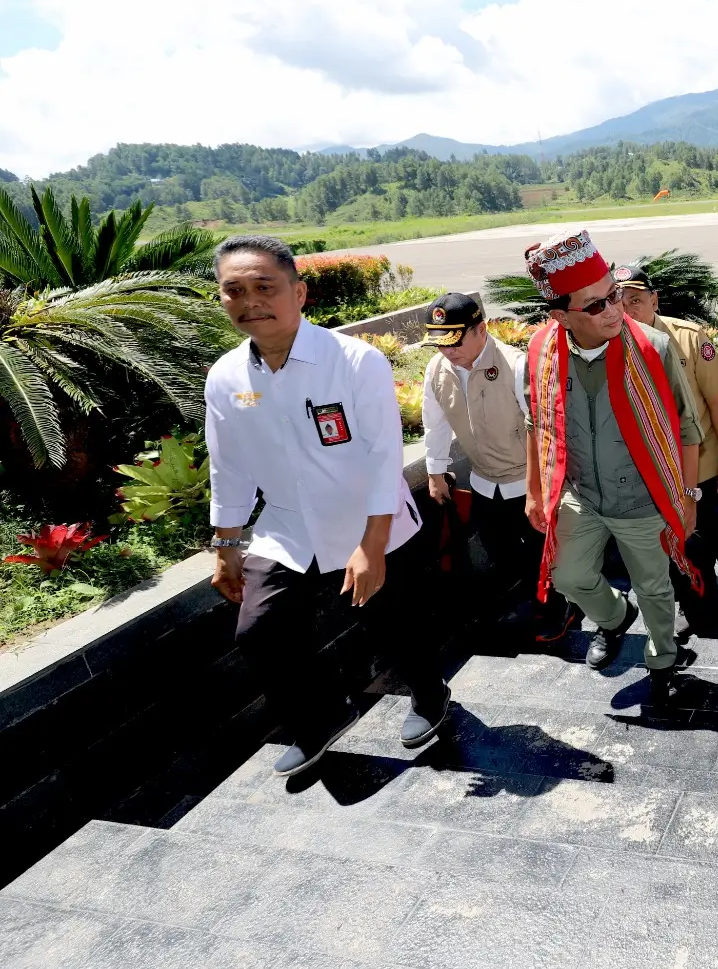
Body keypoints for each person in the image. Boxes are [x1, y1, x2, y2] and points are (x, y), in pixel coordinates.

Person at [205, 234, 451, 778]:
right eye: (235, 290)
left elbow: (384, 459)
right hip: (288, 527)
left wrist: (371, 546)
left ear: (299, 292)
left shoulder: (353, 362)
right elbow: (230, 467)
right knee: (259, 632)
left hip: (371, 520)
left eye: (265, 287)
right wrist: (226, 545)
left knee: (397, 626)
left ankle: (431, 697)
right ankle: (319, 718)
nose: (251, 302)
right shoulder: (225, 378)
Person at [522, 231, 704, 706]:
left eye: (614, 296)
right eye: (597, 305)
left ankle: (663, 659)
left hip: (644, 497)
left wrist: (687, 498)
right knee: (568, 576)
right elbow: (536, 423)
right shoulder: (541, 351)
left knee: (654, 587)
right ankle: (613, 617)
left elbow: (687, 429)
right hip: (580, 493)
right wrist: (535, 492)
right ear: (561, 316)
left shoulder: (653, 348)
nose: (614, 310)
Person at [420, 292, 576, 643]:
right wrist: (434, 471)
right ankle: (534, 603)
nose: (448, 351)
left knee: (544, 552)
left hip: (525, 481)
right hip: (483, 482)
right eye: (440, 343)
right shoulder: (437, 369)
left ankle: (560, 609)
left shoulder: (515, 364)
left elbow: (545, 429)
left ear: (481, 328)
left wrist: (540, 490)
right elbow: (436, 424)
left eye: (455, 340)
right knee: (502, 552)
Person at [617, 264, 718, 638]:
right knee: (681, 549)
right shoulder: (609, 345)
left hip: (701, 465)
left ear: (654, 299)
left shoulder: (686, 337)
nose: (627, 310)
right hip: (654, 474)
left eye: (635, 301)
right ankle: (703, 608)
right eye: (618, 302)